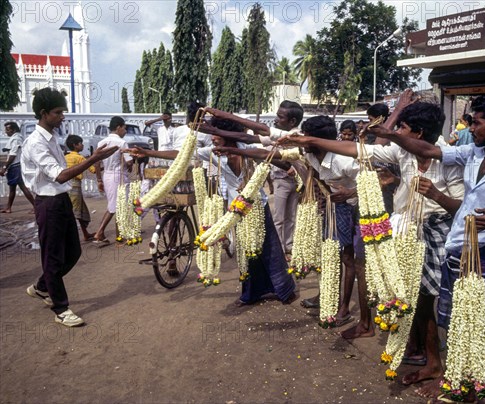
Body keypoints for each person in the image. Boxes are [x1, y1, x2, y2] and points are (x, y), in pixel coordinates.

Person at [368, 94, 485, 403]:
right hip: (454, 254)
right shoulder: (472, 155)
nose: (470, 127)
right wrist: (392, 133)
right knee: (456, 325)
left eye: (477, 122)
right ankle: (460, 383)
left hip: (484, 260)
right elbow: (429, 149)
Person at [279, 100, 465, 386]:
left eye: (402, 127)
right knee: (408, 296)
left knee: (430, 301)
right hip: (404, 229)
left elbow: (462, 208)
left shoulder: (449, 157)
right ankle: (421, 353)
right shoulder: (402, 148)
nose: (398, 131)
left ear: (417, 133)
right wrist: (309, 140)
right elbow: (360, 149)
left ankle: (434, 361)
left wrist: (437, 196)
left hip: (437, 231)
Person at [215, 116, 373, 339]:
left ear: (316, 140)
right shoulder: (307, 153)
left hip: (355, 208)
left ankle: (345, 308)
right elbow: (268, 154)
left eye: (304, 137)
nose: (300, 140)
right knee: (330, 254)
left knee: (348, 258)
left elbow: (376, 179)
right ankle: (327, 296)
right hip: (332, 205)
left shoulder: (344, 160)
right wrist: (235, 151)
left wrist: (350, 193)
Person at [129, 117, 298, 306]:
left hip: (257, 205)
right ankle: (252, 292)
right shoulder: (212, 152)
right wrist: (147, 152)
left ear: (227, 134)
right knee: (246, 250)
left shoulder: (246, 149)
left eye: (216, 134)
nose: (213, 139)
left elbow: (271, 158)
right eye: (211, 135)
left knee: (269, 249)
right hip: (236, 209)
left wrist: (289, 167)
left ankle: (284, 289)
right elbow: (181, 154)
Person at [21, 87, 118, 327]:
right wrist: (93, 159)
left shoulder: (51, 137)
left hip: (61, 200)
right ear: (44, 114)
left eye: (63, 111)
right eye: (58, 112)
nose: (62, 117)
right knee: (52, 257)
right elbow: (60, 176)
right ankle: (61, 308)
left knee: (73, 252)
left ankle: (42, 286)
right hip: (48, 203)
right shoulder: (35, 143)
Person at [202, 101, 304, 257]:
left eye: (279, 116)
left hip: (267, 201)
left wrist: (223, 119)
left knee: (281, 226)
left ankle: (285, 248)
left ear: (292, 122)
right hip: (240, 206)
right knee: (252, 243)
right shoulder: (214, 152)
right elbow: (249, 138)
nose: (275, 120)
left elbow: (259, 146)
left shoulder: (296, 137)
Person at [93, 116, 132, 243]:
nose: (125, 131)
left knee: (116, 204)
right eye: (124, 128)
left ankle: (119, 233)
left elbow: (97, 163)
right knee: (115, 205)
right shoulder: (121, 143)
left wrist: (99, 179)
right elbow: (129, 161)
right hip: (118, 175)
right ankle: (100, 232)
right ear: (118, 127)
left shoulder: (101, 143)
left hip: (107, 175)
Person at [65, 135, 96, 241]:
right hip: (75, 186)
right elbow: (93, 170)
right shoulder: (79, 158)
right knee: (76, 212)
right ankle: (71, 237)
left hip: (65, 185)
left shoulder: (65, 157)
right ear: (75, 145)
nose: (82, 145)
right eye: (80, 143)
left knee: (78, 210)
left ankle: (85, 233)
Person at [0, 122, 35, 213]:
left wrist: (4, 167)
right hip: (15, 166)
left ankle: (35, 206)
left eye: (8, 130)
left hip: (16, 166)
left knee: (22, 187)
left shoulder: (16, 139)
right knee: (13, 188)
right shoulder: (16, 138)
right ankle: (8, 207)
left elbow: (13, 154)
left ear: (14, 130)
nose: (6, 132)